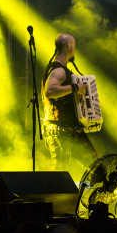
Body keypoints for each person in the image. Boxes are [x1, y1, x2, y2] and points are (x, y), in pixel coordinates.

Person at [42, 33, 96, 173]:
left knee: (95, 167)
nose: (75, 50)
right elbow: (50, 91)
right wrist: (76, 88)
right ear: (68, 47)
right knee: (60, 172)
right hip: (59, 129)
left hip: (69, 128)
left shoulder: (60, 69)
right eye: (74, 46)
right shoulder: (59, 70)